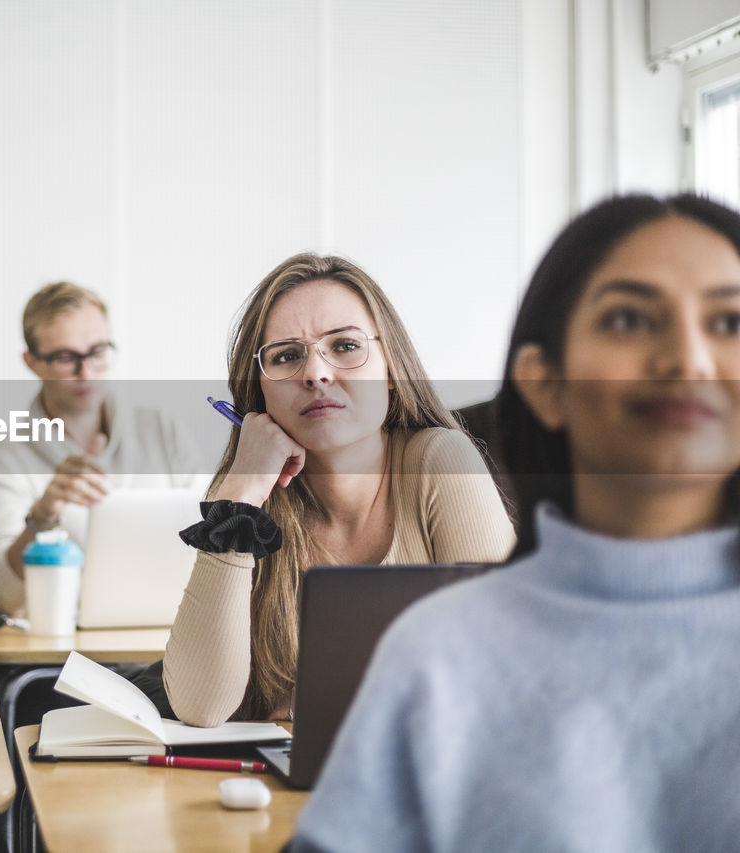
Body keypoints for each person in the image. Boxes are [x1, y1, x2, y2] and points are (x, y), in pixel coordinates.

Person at [291, 194, 740, 851]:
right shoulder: (437, 654)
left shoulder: (437, 465)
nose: (690, 360)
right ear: (543, 382)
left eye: (729, 322)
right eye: (628, 318)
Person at [162, 253, 514, 727]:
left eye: (345, 346)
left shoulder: (440, 461)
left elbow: (506, 667)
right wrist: (239, 495)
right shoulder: (251, 502)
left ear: (391, 368)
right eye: (287, 356)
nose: (316, 373)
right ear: (259, 393)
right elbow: (199, 709)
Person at [0, 281, 203, 614]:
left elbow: (214, 545)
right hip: (60, 656)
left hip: (165, 639)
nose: (86, 372)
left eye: (97, 352)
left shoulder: (163, 433)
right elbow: (3, 595)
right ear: (32, 362)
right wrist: (42, 518)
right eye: (66, 357)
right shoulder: (7, 460)